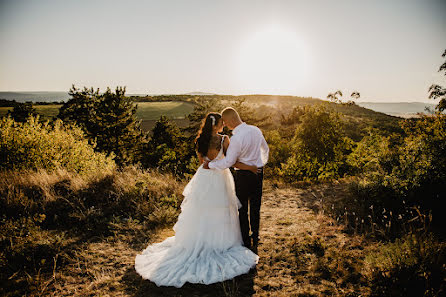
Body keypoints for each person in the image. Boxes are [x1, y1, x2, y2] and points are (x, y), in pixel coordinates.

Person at [134, 112, 259, 288]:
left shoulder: (200, 140)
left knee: (201, 210)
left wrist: (211, 163)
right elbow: (230, 161)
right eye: (222, 123)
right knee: (221, 209)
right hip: (221, 177)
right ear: (217, 125)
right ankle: (222, 241)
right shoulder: (224, 140)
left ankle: (200, 239)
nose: (223, 125)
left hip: (204, 177)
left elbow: (203, 162)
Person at [203, 107, 269, 251]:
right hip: (258, 172)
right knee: (256, 206)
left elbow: (228, 162)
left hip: (243, 176)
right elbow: (265, 149)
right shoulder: (256, 130)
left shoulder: (236, 138)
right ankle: (256, 235)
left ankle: (246, 240)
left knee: (242, 208)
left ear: (232, 120)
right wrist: (259, 164)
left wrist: (211, 165)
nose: (225, 125)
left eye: (225, 122)